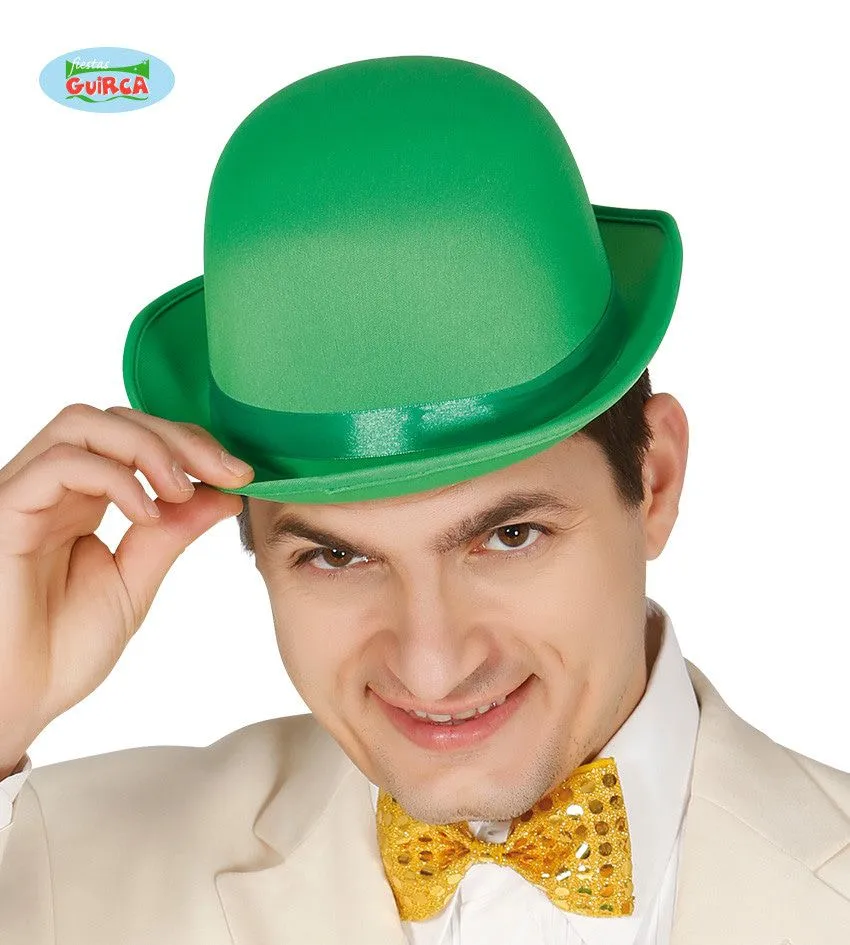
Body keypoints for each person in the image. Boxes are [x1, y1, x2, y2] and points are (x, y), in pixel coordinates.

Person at [1, 54, 848, 945]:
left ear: (656, 478)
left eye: (510, 535)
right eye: (336, 555)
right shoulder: (53, 864)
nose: (434, 667)